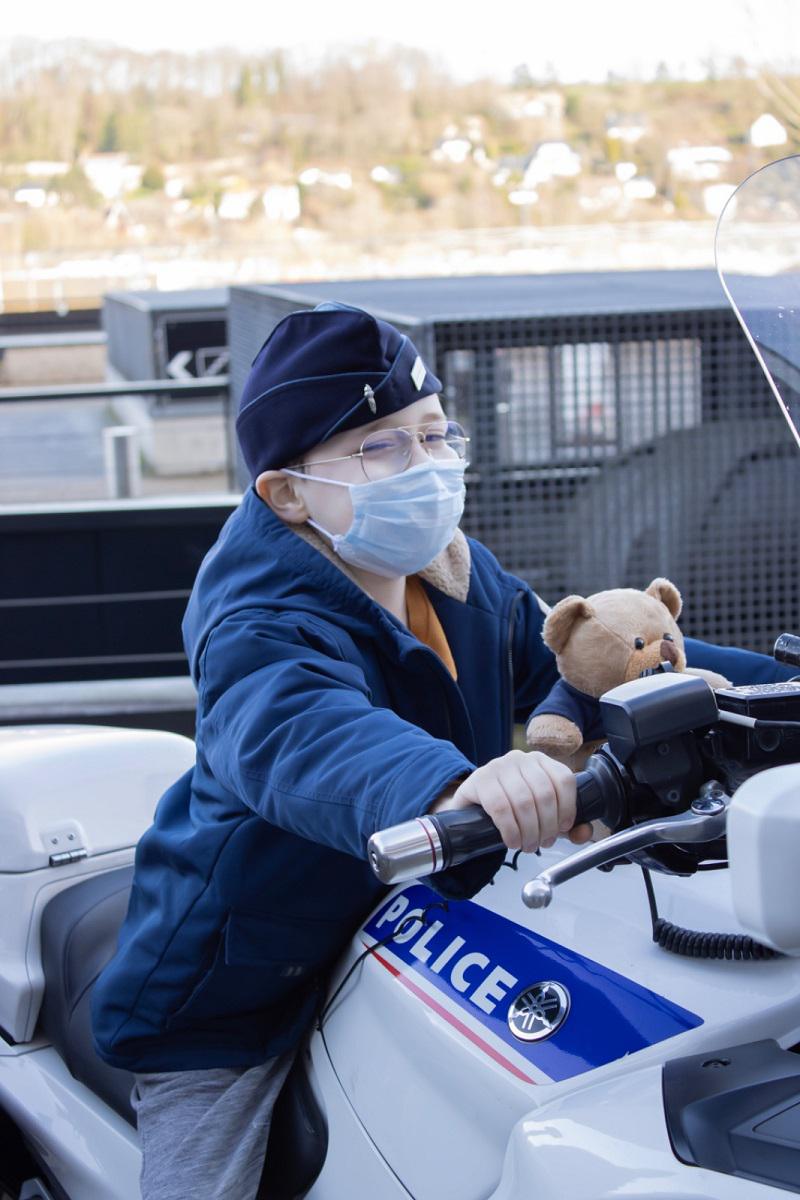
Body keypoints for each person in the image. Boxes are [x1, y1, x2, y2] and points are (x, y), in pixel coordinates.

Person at [91, 302, 791, 1200]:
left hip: (408, 919)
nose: (423, 466)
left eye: (432, 434)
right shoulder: (254, 621)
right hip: (238, 982)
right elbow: (298, 729)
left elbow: (582, 663)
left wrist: (768, 692)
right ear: (288, 493)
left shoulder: (453, 570)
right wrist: (458, 785)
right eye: (380, 448)